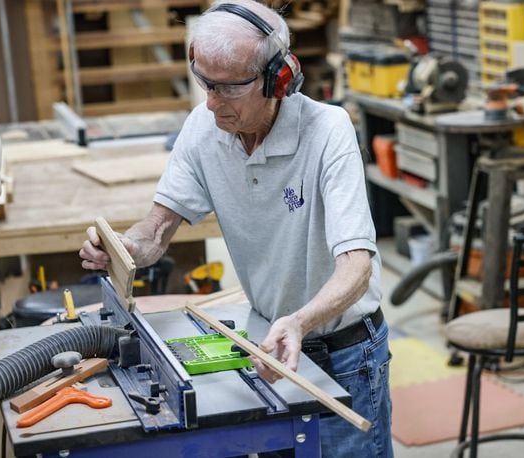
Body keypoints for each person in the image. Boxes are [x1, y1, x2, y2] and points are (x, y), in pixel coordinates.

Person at [79, 1, 393, 456]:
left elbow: (356, 267)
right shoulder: (202, 129)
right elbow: (156, 229)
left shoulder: (328, 131)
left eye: (227, 88)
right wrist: (123, 249)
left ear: (277, 79)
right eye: (204, 83)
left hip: (343, 353)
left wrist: (301, 320)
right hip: (269, 344)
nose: (210, 103)